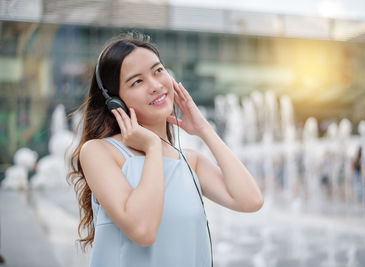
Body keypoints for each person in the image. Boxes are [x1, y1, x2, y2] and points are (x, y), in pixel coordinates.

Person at [68, 32, 264, 267]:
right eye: (137, 81)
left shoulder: (190, 162)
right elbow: (143, 230)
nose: (155, 85)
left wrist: (203, 129)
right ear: (115, 101)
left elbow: (250, 200)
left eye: (158, 71)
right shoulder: (100, 152)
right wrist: (151, 146)